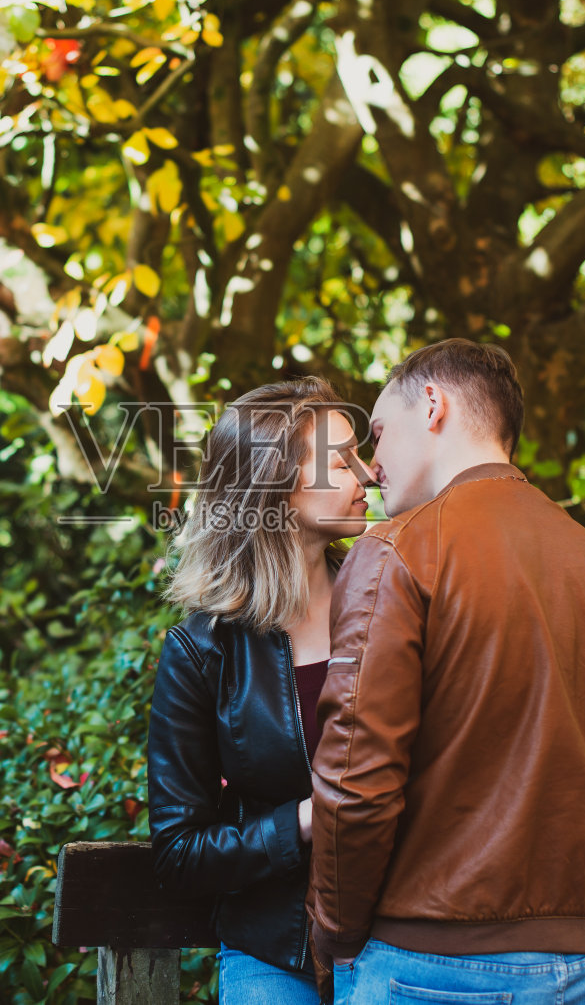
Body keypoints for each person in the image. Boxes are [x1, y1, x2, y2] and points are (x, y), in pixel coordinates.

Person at [309, 338, 585, 1005]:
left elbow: (357, 775)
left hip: (434, 963)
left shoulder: (397, 550)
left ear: (434, 406)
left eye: (378, 433)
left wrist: (335, 934)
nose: (374, 465)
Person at [147, 377, 376, 1003]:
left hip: (399, 939)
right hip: (275, 951)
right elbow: (178, 852)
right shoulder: (201, 651)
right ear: (277, 484)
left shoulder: (393, 608)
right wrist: (306, 818)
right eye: (342, 460)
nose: (370, 474)